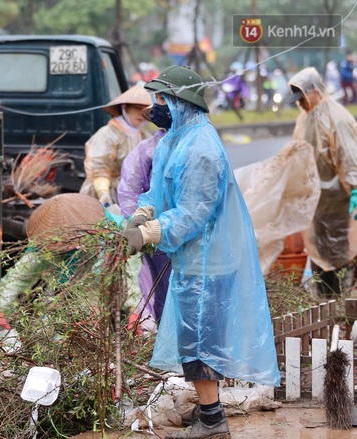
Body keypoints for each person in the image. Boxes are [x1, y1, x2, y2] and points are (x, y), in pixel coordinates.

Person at [122, 65, 280, 438]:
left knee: (201, 341)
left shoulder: (202, 148)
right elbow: (157, 191)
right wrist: (142, 213)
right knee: (192, 338)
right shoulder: (173, 140)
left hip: (211, 259)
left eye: (161, 98)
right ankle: (209, 413)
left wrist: (147, 234)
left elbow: (194, 212)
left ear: (180, 101)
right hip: (192, 256)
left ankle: (212, 420)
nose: (154, 106)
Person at [0, 193, 139, 351]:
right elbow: (18, 277)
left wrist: (133, 309)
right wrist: (2, 309)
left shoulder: (114, 235)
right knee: (45, 336)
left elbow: (131, 274)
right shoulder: (46, 243)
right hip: (63, 290)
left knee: (87, 335)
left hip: (100, 289)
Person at [289, 67, 357, 296]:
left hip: (339, 206)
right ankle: (327, 309)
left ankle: (341, 310)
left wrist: (355, 190)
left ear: (315, 91)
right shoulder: (304, 119)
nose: (302, 103)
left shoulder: (337, 119)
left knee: (340, 257)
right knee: (319, 257)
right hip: (316, 206)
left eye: (304, 96)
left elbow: (349, 159)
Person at [117, 105, 172, 332]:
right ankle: (163, 338)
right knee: (161, 286)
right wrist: (139, 223)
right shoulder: (148, 150)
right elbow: (131, 189)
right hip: (155, 231)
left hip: (184, 230)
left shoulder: (194, 147)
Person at [79, 85, 152, 207]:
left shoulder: (146, 136)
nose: (141, 114)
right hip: (107, 193)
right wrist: (103, 193)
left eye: (145, 110)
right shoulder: (107, 134)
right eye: (137, 108)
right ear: (124, 107)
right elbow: (98, 168)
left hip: (135, 195)